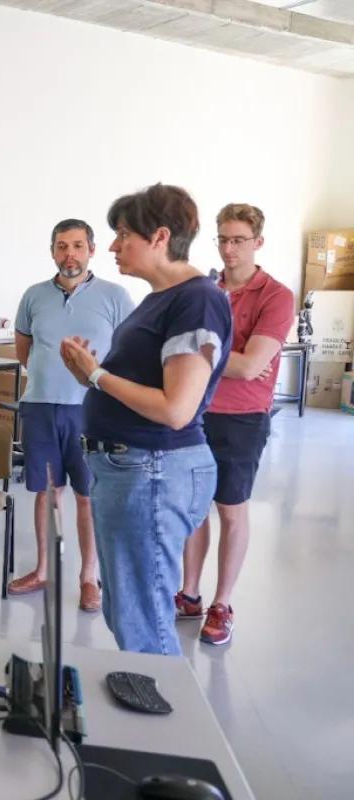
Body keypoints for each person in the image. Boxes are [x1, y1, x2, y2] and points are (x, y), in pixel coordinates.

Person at [61, 184, 232, 656]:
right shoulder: (162, 297)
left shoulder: (197, 300)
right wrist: (91, 376)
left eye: (122, 234)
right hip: (130, 468)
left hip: (152, 470)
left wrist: (96, 376)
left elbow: (176, 409)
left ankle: (158, 702)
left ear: (159, 236)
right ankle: (142, 696)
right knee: (128, 612)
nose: (112, 246)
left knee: (145, 625)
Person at [176, 204, 294, 645]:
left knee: (230, 509)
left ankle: (221, 604)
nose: (229, 249)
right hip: (194, 410)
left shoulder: (275, 296)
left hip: (243, 417)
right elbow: (234, 361)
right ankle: (189, 594)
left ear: (258, 242)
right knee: (193, 508)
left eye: (238, 240)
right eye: (223, 239)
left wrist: (202, 352)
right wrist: (232, 358)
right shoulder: (206, 290)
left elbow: (250, 368)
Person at [9, 220, 134, 611]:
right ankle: (43, 569)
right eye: (62, 246)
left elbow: (129, 354)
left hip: (92, 410)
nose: (70, 254)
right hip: (41, 406)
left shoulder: (115, 296)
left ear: (91, 250)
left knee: (87, 495)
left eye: (78, 245)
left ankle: (88, 578)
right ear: (52, 251)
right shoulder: (33, 296)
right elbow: (24, 351)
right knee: (46, 492)